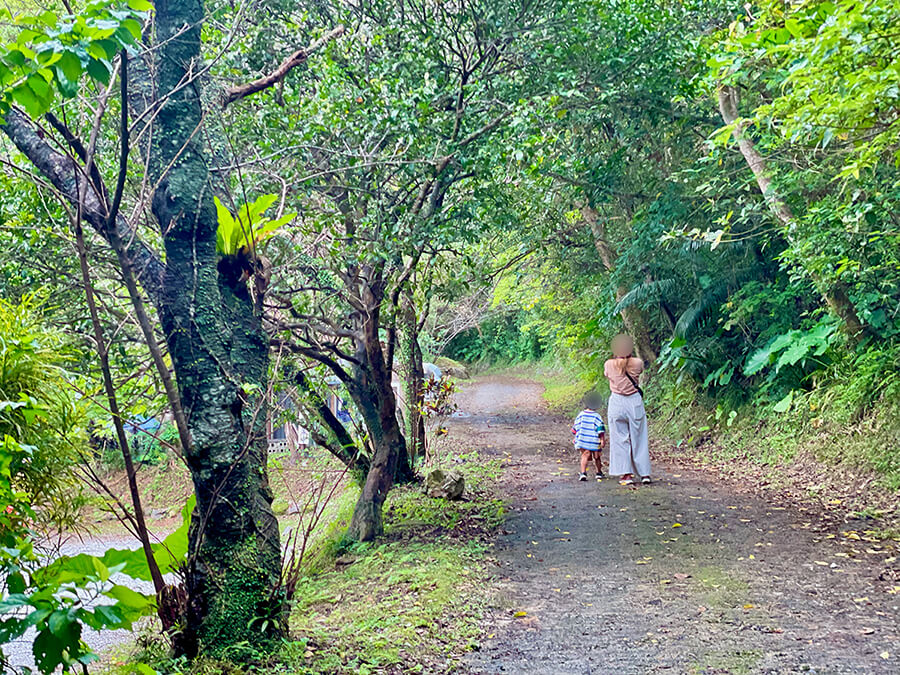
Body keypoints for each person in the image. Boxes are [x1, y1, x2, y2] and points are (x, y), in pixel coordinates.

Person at [604, 334, 651, 486]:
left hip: (617, 401)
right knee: (639, 438)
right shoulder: (637, 362)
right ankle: (644, 474)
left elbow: (608, 376)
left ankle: (626, 475)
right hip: (634, 401)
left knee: (619, 439)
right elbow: (640, 371)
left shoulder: (609, 364)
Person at [572, 393, 606, 482]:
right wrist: (602, 439)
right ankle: (598, 472)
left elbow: (576, 427)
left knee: (584, 455)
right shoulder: (597, 416)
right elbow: (600, 429)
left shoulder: (581, 415)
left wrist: (576, 436)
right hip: (594, 440)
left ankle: (583, 473)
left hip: (583, 439)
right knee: (597, 457)